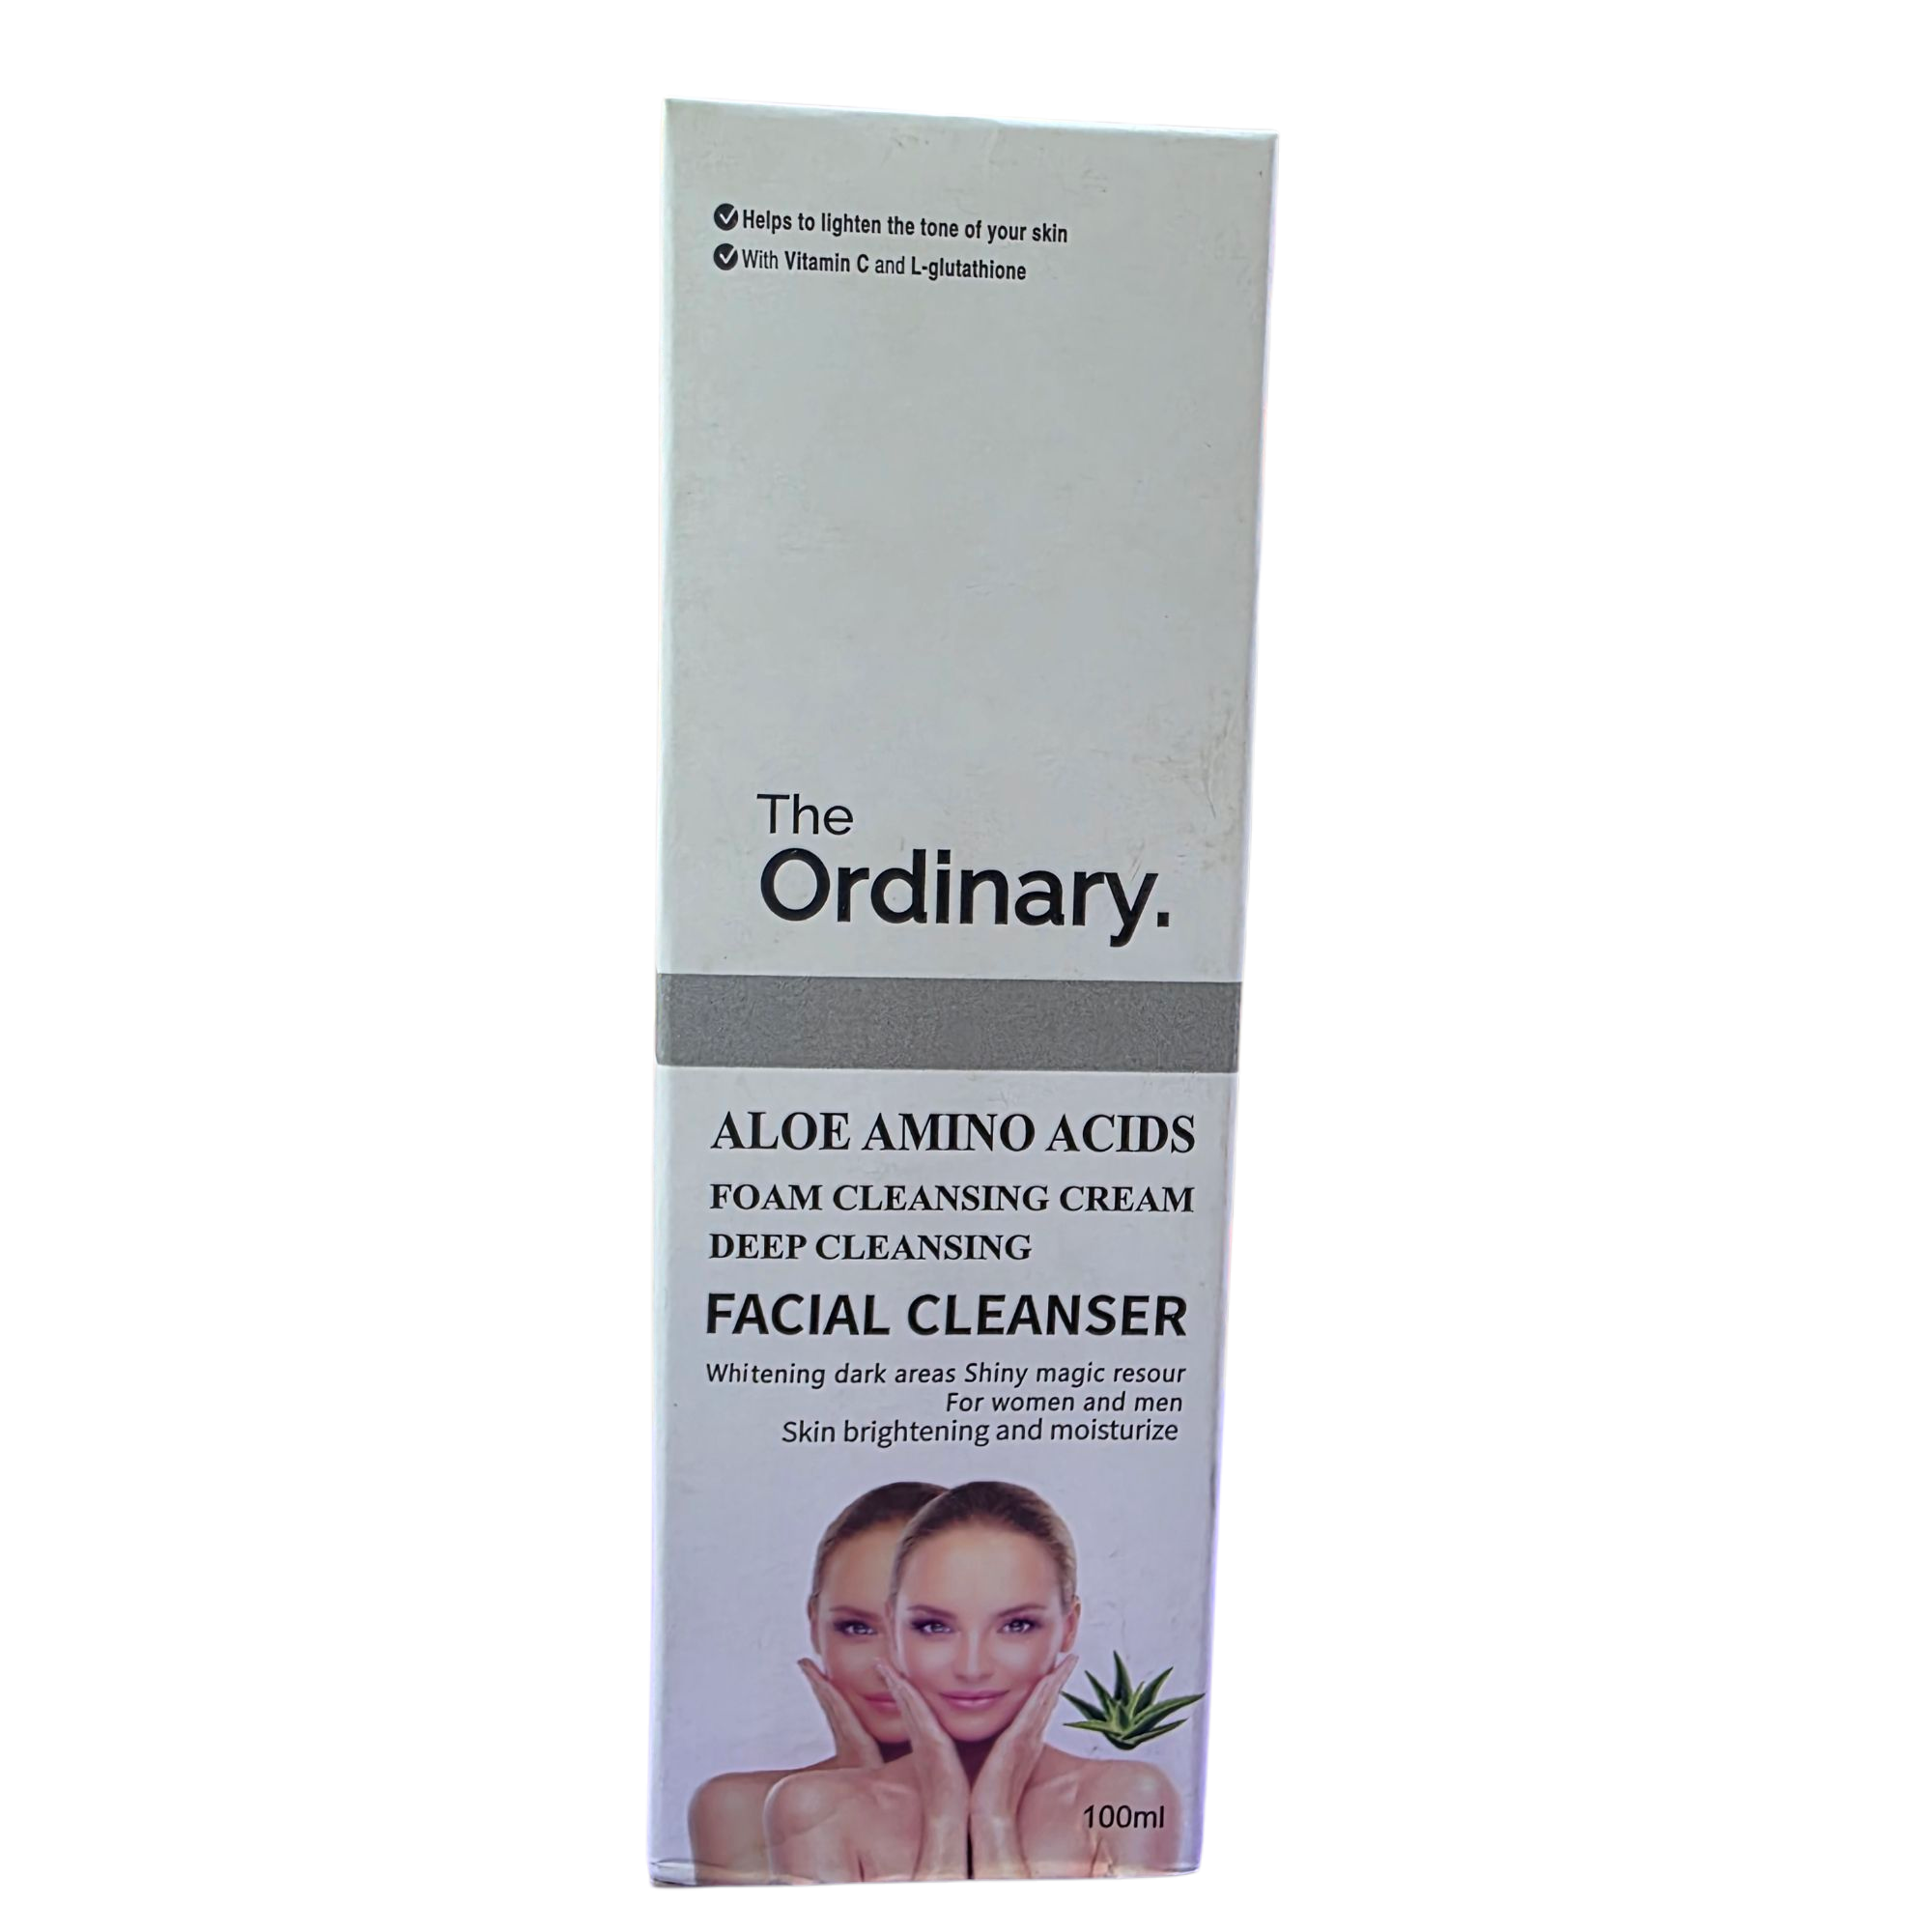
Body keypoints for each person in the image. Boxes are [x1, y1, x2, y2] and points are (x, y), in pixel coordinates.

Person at [764, 1481, 1181, 1881]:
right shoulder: (813, 1807)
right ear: (894, 1626)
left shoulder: (1129, 1797)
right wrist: (944, 1819)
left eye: (1017, 1625)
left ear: (1068, 1626)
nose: (972, 1667)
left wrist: (994, 1819)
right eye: (934, 1626)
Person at [687, 1480, 944, 1884]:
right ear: (814, 1625)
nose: (888, 1664)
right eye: (857, 1628)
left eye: (928, 1626)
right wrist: (843, 1805)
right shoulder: (741, 1810)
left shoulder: (1049, 1813)